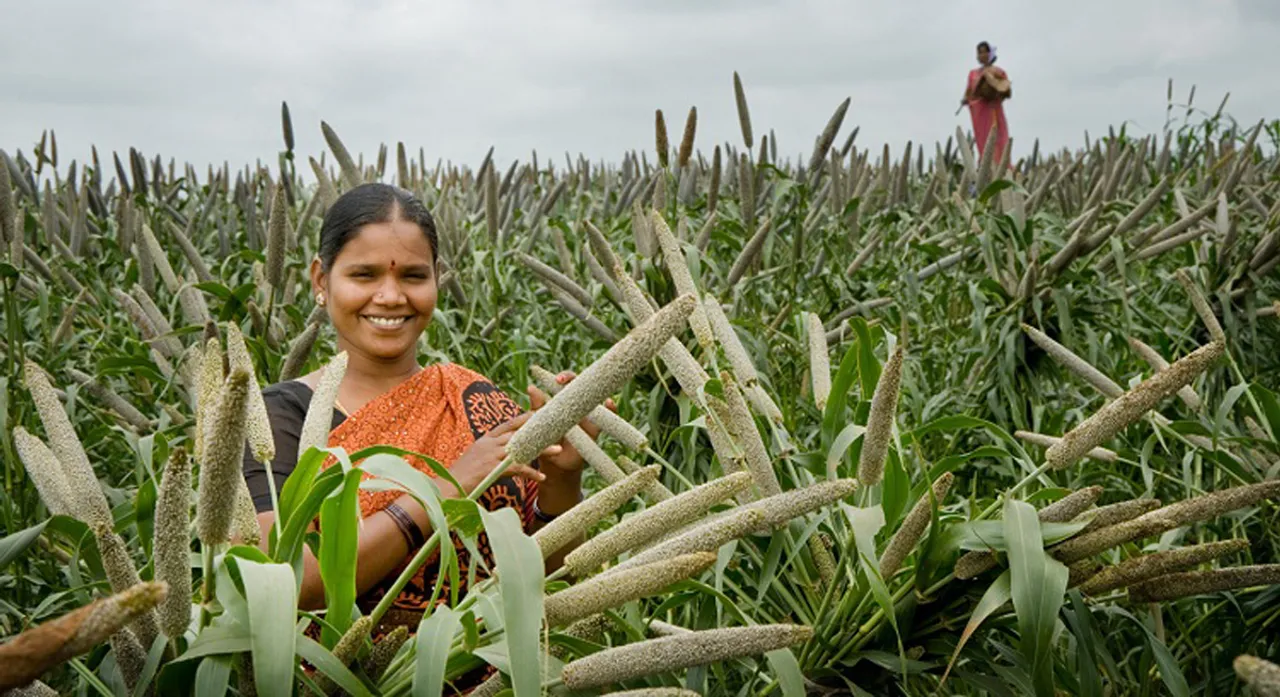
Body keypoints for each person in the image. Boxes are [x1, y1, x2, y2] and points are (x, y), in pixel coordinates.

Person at [241, 183, 596, 638]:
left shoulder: (473, 402)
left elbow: (547, 580)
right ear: (320, 281)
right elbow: (277, 585)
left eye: (412, 276)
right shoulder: (275, 419)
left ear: (436, 278)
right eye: (364, 275)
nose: (390, 297)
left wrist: (563, 478)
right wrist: (441, 493)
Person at [962, 41, 1012, 165]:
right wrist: (965, 100)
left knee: (998, 138)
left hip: (994, 109)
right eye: (980, 53)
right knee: (983, 140)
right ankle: (986, 166)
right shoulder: (973, 74)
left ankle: (1001, 166)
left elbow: (1005, 89)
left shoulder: (998, 71)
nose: (982, 55)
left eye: (985, 52)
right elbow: (969, 93)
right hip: (980, 112)